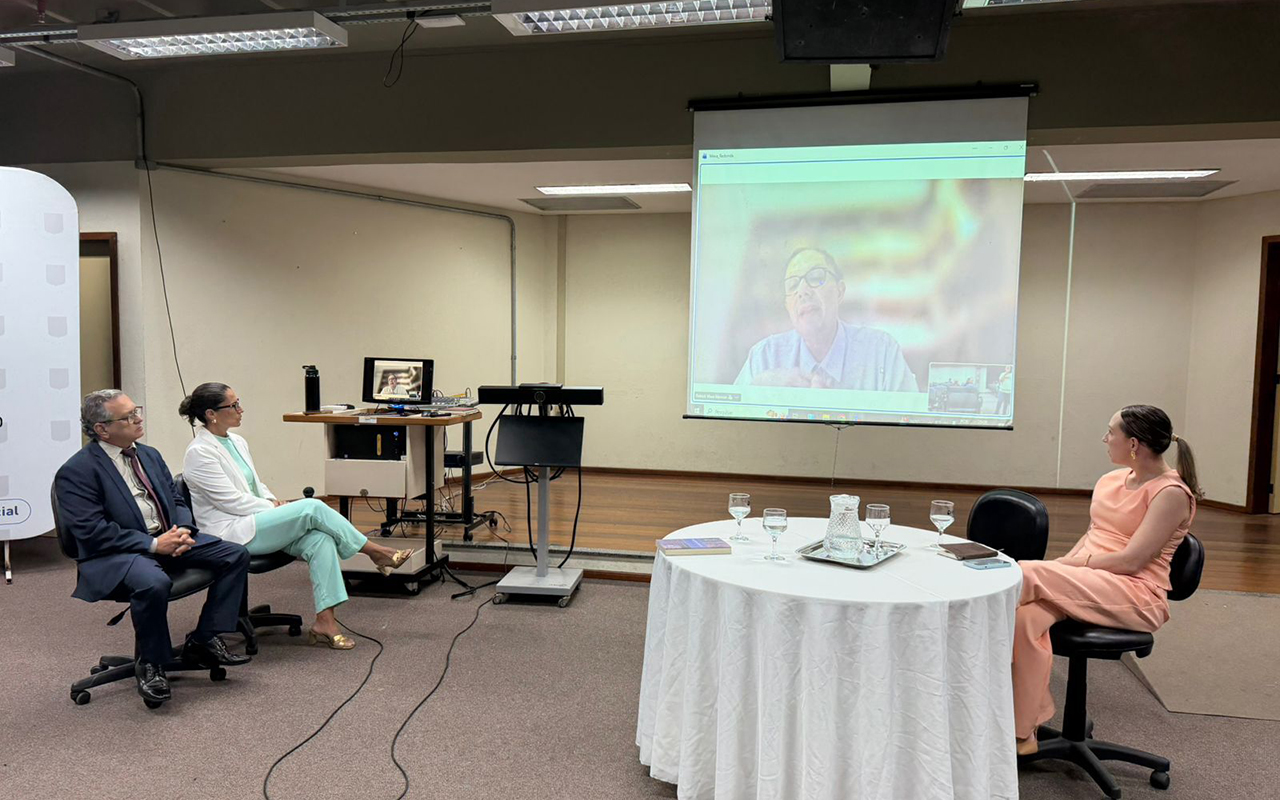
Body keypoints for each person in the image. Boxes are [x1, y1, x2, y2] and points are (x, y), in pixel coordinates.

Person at [1012, 404, 1200, 755]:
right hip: (1093, 581)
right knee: (1025, 618)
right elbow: (1093, 537)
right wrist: (1065, 569)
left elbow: (1132, 561)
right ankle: (1025, 730)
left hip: (1135, 593)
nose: (1104, 438)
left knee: (1024, 572)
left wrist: (1069, 568)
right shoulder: (1111, 480)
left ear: (1134, 444)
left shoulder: (1170, 493)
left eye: (1110, 432)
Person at [179, 383, 414, 650]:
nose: (240, 409)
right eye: (233, 405)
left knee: (319, 539)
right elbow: (229, 501)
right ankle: (374, 551)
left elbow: (255, 485)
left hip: (253, 520)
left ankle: (325, 622)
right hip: (230, 532)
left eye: (238, 402)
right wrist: (273, 508)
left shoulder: (236, 442)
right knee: (311, 507)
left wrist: (271, 500)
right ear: (211, 413)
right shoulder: (199, 452)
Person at [54, 390, 252, 706]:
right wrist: (152, 544)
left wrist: (183, 529)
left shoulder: (149, 454)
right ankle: (151, 663)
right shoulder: (77, 471)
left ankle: (203, 639)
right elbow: (91, 532)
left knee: (235, 554)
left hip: (167, 537)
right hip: (118, 552)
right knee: (153, 582)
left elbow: (176, 500)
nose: (138, 419)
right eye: (128, 416)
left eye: (137, 411)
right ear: (102, 429)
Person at [734, 247, 917, 391]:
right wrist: (756, 392)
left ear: (840, 291)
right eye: (793, 284)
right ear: (787, 306)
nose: (803, 291)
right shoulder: (764, 358)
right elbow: (734, 427)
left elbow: (911, 424)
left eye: (815, 277)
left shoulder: (881, 351)